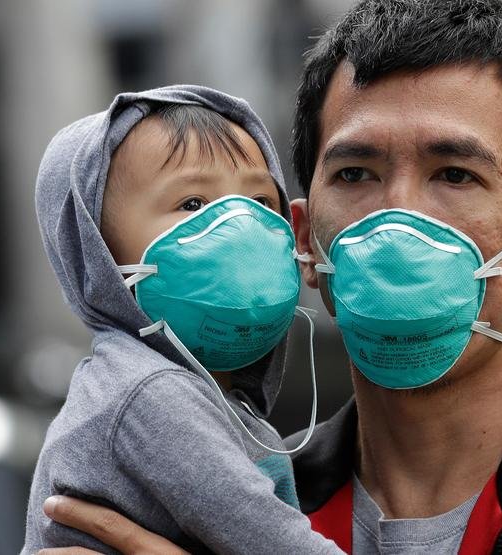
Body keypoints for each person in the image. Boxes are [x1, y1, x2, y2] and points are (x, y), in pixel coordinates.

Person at [38, 1, 502, 553]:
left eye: (455, 174)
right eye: (355, 174)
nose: (396, 217)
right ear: (301, 238)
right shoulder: (233, 499)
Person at [22, 84, 342, 554]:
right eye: (193, 204)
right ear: (98, 253)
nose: (240, 227)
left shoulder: (206, 396)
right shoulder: (148, 392)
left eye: (260, 202)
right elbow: (276, 544)